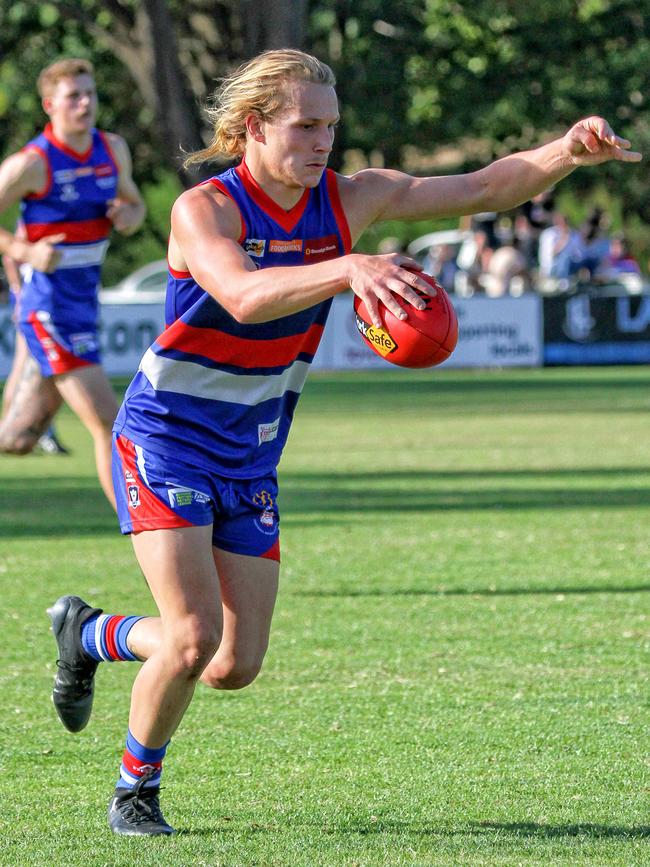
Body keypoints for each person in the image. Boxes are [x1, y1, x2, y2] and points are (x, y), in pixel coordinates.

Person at [46, 49, 641, 837]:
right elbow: (245, 295)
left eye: (331, 125)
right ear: (254, 125)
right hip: (168, 437)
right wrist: (346, 267)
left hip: (251, 449)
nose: (323, 140)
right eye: (306, 124)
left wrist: (566, 151)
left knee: (232, 664)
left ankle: (88, 633)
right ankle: (135, 789)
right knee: (191, 639)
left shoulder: (350, 199)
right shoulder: (207, 208)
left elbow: (486, 186)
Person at [0, 58, 145, 508]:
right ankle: (139, 526)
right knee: (108, 419)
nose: (85, 103)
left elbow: (135, 205)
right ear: (50, 105)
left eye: (91, 94)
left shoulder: (112, 148)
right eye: (73, 96)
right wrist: (25, 251)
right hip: (48, 305)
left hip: (84, 301)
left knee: (18, 438)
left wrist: (128, 217)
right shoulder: (31, 163)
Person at [1, 235, 69, 454]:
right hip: (32, 300)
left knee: (27, 368)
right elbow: (12, 257)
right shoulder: (34, 214)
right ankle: (19, 430)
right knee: (26, 367)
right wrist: (19, 293)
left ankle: (16, 429)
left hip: (36, 298)